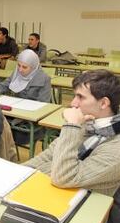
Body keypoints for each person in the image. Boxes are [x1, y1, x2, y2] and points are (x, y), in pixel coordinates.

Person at [24, 70, 120, 199]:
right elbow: (48, 156)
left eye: (81, 97)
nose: (73, 103)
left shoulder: (115, 147)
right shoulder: (89, 123)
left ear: (103, 103)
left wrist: (72, 126)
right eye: (74, 96)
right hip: (56, 190)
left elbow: (64, 177)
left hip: (84, 206)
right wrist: (19, 172)